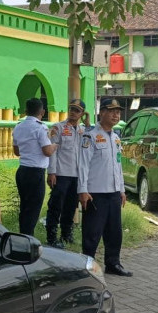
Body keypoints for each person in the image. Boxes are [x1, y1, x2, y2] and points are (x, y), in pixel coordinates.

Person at [78, 98, 132, 277]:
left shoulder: (116, 138)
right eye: (111, 111)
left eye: (118, 111)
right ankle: (88, 266)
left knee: (114, 232)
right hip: (95, 194)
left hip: (114, 193)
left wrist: (122, 190)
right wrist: (82, 190)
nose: (116, 114)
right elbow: (83, 165)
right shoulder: (90, 136)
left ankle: (113, 263)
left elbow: (118, 166)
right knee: (92, 233)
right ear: (101, 113)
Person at [46, 98, 90, 248]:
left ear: (82, 113)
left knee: (71, 206)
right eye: (71, 109)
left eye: (77, 110)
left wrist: (88, 123)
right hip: (61, 173)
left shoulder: (84, 130)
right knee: (56, 205)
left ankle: (66, 234)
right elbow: (53, 151)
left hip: (77, 175)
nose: (73, 112)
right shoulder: (58, 128)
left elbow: (89, 148)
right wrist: (51, 172)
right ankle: (51, 237)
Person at [13, 98, 57, 236]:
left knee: (25, 207)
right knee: (33, 208)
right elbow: (47, 151)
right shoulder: (40, 127)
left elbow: (17, 151)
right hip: (35, 172)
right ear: (42, 112)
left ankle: (23, 235)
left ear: (26, 111)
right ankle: (28, 238)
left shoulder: (18, 126)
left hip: (22, 171)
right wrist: (55, 145)